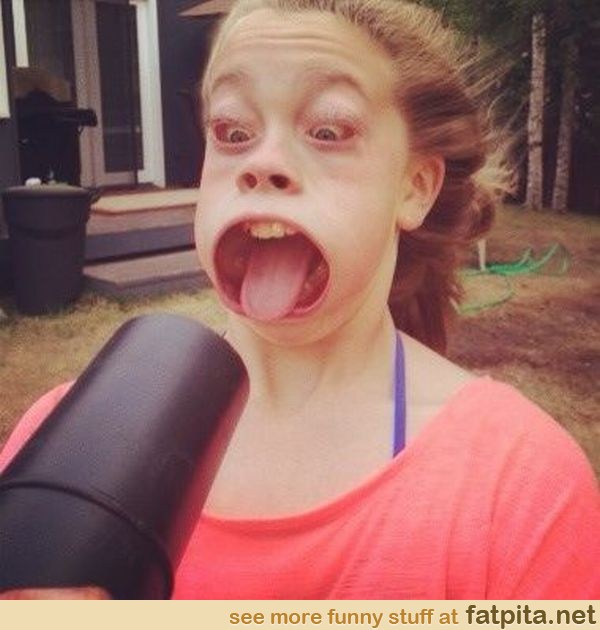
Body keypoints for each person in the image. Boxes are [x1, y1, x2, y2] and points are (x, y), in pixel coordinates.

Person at [1, 0, 599, 600]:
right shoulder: (57, 445)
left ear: (414, 187)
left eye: (327, 131)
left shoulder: (521, 488)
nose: (261, 163)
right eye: (232, 132)